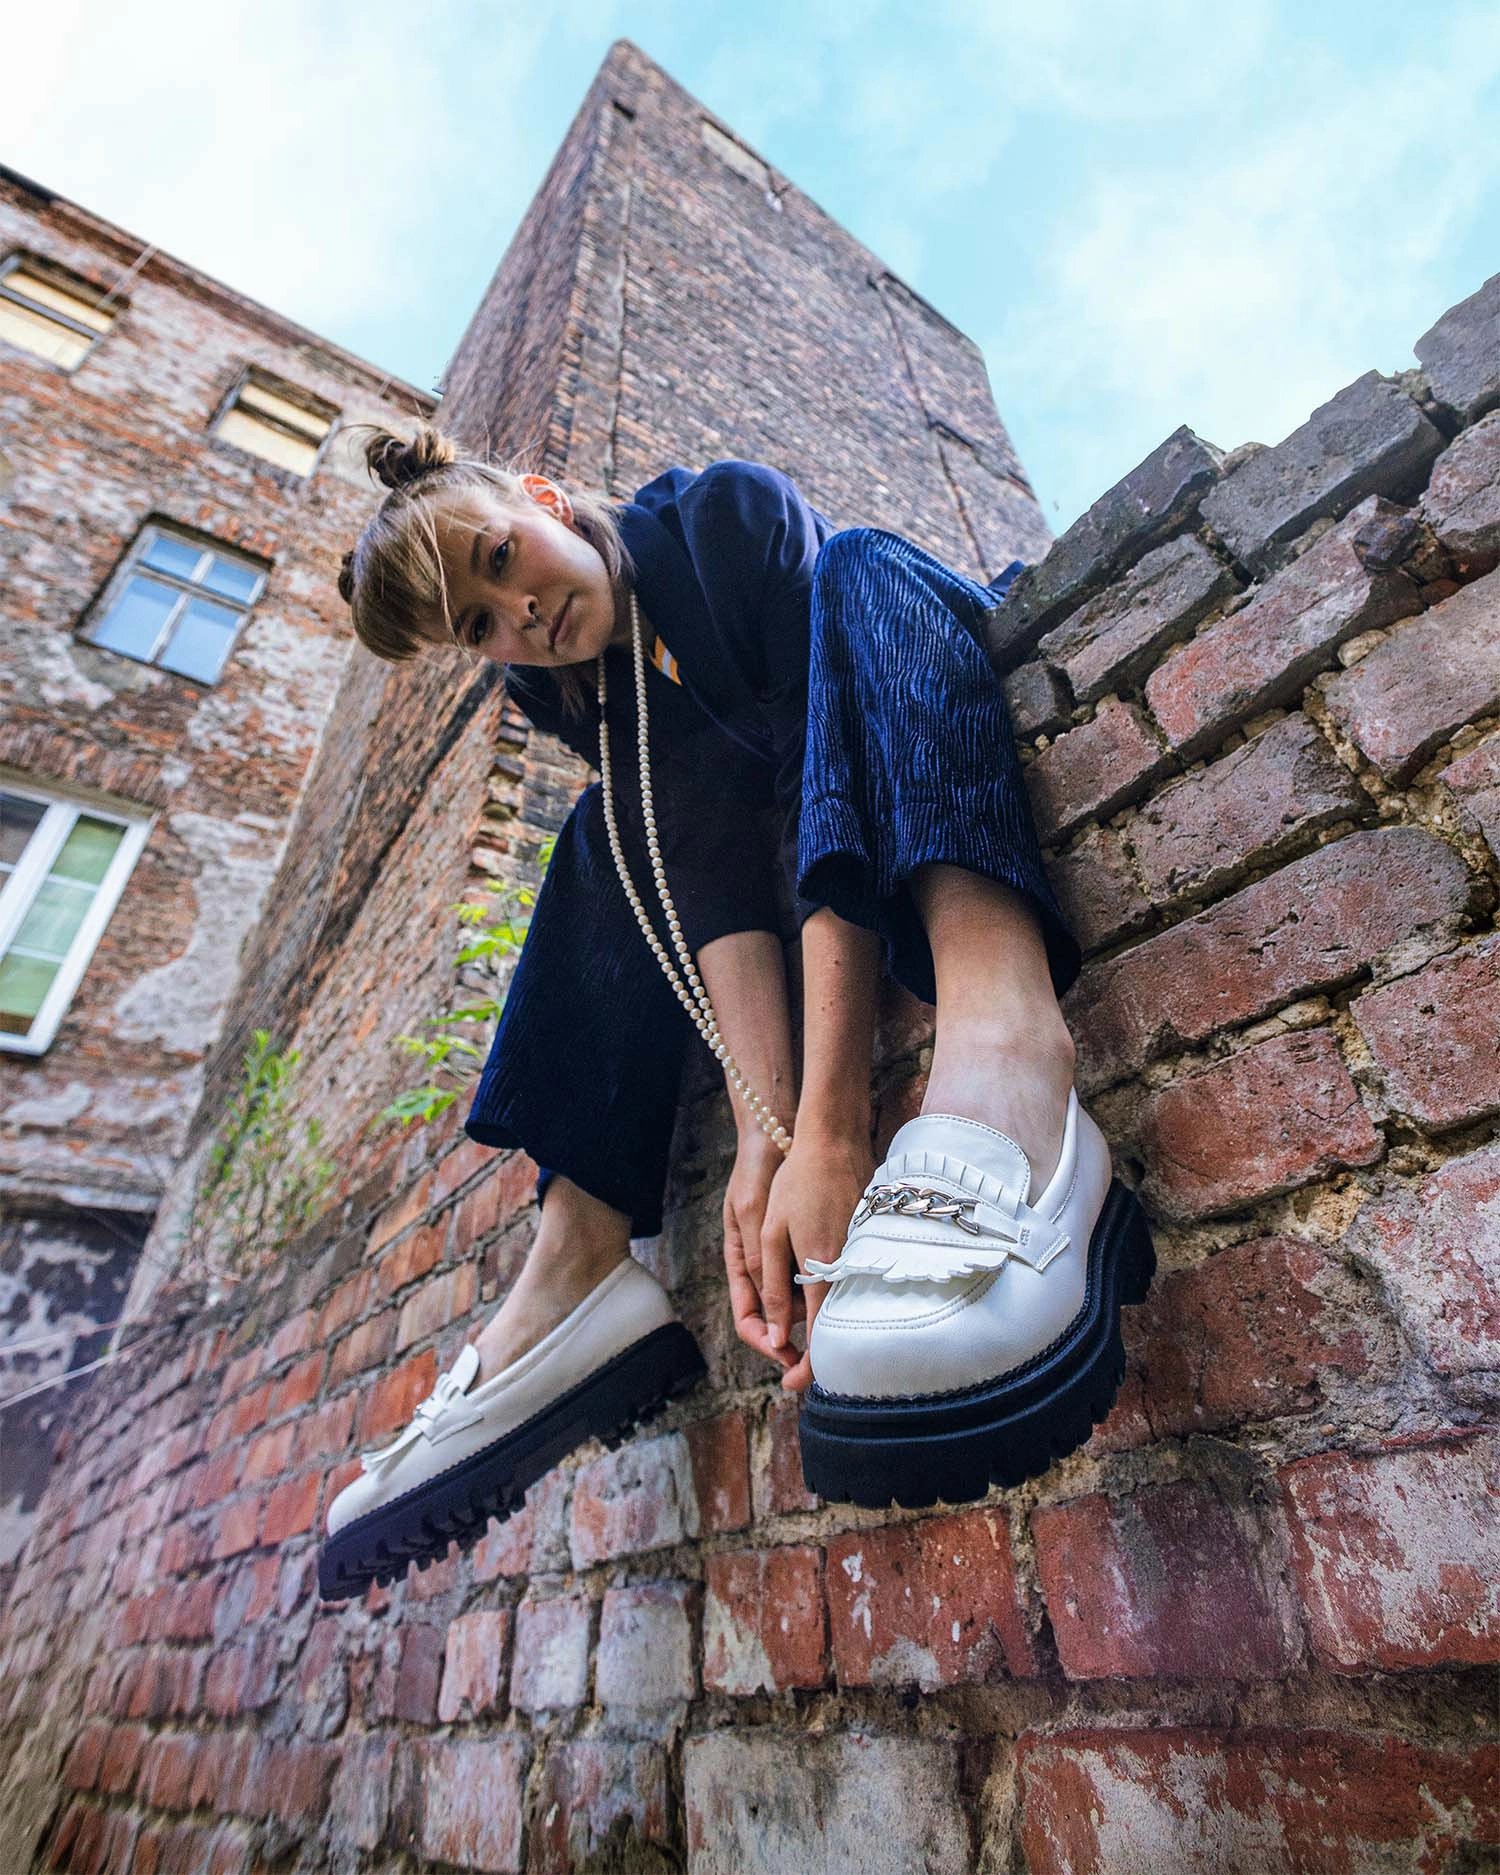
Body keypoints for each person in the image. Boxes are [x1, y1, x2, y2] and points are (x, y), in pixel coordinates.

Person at [316, 424, 1153, 1602]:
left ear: (544, 498)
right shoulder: (558, 684)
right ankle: (574, 1272)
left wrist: (831, 1131)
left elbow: (822, 787)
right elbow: (699, 847)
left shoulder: (724, 518)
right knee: (603, 830)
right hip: (768, 846)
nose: (521, 617)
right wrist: (765, 1129)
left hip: (907, 689)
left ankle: (1010, 1050)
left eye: (502, 561)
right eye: (480, 626)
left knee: (861, 561)